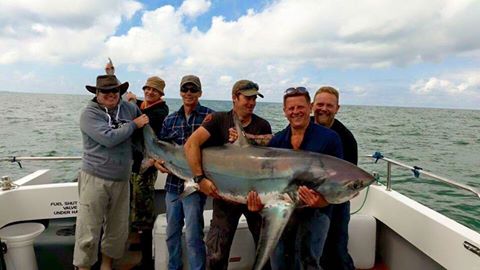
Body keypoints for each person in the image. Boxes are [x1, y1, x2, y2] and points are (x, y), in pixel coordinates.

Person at [184, 80, 272, 270]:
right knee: (216, 255)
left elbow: (266, 162)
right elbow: (191, 144)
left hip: (254, 199)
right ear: (234, 97)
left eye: (254, 98)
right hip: (224, 197)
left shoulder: (262, 125)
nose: (252, 102)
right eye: (247, 98)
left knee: (264, 253)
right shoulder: (218, 120)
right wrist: (200, 179)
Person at [73, 75, 149, 270]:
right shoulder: (89, 114)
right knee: (88, 230)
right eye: (105, 91)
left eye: (115, 90)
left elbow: (144, 130)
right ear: (97, 93)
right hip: (94, 177)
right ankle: (83, 267)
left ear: (120, 92)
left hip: (122, 179)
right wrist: (133, 124)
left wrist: (150, 155)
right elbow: (109, 138)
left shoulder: (129, 108)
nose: (111, 94)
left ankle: (107, 265)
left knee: (117, 230)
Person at [267, 87, 343, 270]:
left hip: (317, 211)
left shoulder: (330, 138)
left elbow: (339, 179)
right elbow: (269, 181)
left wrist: (322, 202)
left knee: (308, 262)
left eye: (300, 107)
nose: (295, 112)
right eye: (291, 108)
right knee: (278, 261)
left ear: (309, 108)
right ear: (285, 111)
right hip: (283, 210)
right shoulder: (277, 141)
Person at [154, 75, 214, 270]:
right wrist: (156, 162)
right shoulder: (170, 119)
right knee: (172, 233)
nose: (189, 93)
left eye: (193, 89)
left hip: (195, 186)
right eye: (185, 89)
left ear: (200, 93)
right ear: (180, 92)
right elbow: (161, 148)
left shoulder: (210, 117)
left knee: (194, 235)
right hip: (173, 184)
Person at [125, 76, 169, 269]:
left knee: (143, 213)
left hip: (147, 167)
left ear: (161, 94)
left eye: (154, 90)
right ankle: (135, 245)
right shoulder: (143, 106)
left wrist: (133, 103)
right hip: (133, 165)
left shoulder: (160, 111)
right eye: (147, 89)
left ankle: (146, 261)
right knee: (132, 209)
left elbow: (143, 119)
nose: (150, 92)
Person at [313, 86, 357, 270]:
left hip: (336, 201)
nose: (324, 108)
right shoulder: (300, 127)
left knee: (337, 250)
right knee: (311, 251)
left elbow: (350, 178)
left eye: (329, 105)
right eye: (320, 104)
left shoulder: (346, 138)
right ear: (311, 105)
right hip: (305, 198)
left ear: (337, 108)